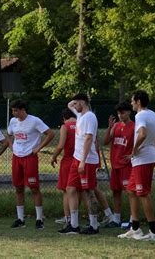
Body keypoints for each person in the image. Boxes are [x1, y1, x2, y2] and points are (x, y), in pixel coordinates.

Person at [118, 90, 155, 241]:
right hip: (145, 157)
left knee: (143, 194)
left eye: (132, 101)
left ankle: (154, 232)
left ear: (138, 102)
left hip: (142, 160)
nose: (131, 103)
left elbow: (142, 134)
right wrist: (152, 150)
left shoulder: (140, 115)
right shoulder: (153, 114)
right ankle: (135, 229)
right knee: (131, 191)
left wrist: (134, 150)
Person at [8, 100, 55, 229]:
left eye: (15, 110)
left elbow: (51, 133)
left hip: (30, 157)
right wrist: (12, 146)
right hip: (17, 157)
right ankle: (20, 219)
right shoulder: (13, 121)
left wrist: (38, 148)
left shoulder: (34, 121)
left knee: (34, 188)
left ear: (23, 110)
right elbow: (9, 135)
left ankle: (39, 219)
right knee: (18, 188)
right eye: (12, 110)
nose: (13, 113)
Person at [59, 93, 100, 235]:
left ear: (82, 103)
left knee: (88, 191)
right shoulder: (80, 115)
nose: (73, 106)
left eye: (77, 103)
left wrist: (82, 160)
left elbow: (89, 139)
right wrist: (77, 100)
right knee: (70, 189)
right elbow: (69, 105)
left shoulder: (89, 117)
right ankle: (74, 225)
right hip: (77, 159)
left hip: (86, 160)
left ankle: (94, 225)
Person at [103, 102, 135, 228]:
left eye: (122, 112)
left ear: (129, 112)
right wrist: (109, 127)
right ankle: (116, 219)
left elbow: (141, 142)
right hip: (115, 165)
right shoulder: (116, 126)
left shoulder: (134, 126)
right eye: (118, 113)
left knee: (130, 192)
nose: (120, 115)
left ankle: (133, 220)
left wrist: (133, 153)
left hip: (127, 165)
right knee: (116, 192)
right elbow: (105, 142)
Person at [51, 108, 77, 225]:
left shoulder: (65, 126)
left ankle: (68, 218)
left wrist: (53, 156)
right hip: (81, 159)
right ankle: (93, 220)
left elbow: (61, 145)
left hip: (68, 160)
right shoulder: (82, 123)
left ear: (64, 117)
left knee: (67, 191)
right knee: (83, 191)